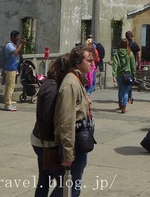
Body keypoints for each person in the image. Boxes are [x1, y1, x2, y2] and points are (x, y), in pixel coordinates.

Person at [54, 46, 94, 197]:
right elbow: (66, 120)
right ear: (78, 62)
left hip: (79, 141)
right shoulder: (71, 83)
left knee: (71, 186)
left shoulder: (78, 81)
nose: (92, 63)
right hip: (74, 143)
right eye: (89, 60)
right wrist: (68, 152)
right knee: (70, 188)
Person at [31, 54, 70, 197]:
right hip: (46, 142)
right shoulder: (53, 87)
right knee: (65, 182)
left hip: (40, 139)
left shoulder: (50, 83)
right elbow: (48, 116)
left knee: (44, 178)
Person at [112, 38, 136, 113]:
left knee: (120, 90)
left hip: (119, 74)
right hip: (128, 74)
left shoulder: (117, 53)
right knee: (126, 91)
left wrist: (114, 74)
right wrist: (134, 74)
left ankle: (120, 103)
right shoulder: (130, 53)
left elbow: (115, 64)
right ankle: (124, 106)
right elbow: (133, 65)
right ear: (127, 45)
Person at [4, 30, 25, 111]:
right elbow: (15, 52)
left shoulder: (13, 45)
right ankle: (8, 104)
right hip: (10, 68)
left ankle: (7, 102)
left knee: (9, 86)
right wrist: (21, 44)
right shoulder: (9, 45)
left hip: (13, 67)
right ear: (12, 37)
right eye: (17, 37)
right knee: (10, 87)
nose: (18, 39)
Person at [125, 31, 140, 104]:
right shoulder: (135, 45)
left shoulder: (122, 44)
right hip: (131, 65)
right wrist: (138, 64)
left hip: (122, 66)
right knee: (129, 82)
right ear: (132, 37)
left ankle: (123, 97)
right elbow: (138, 56)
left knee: (122, 83)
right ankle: (128, 97)